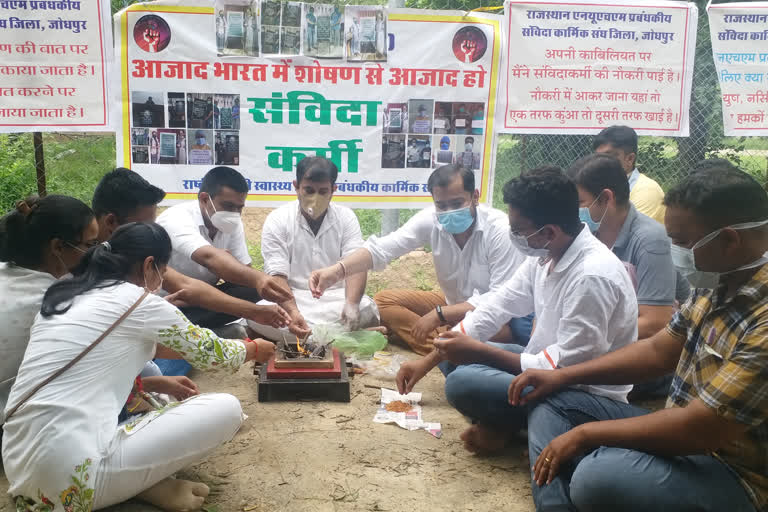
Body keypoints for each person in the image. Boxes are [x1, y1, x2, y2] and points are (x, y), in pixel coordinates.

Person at [508, 162, 768, 512]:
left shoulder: (762, 319)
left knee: (598, 477)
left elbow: (700, 428)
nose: (677, 254)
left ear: (728, 240)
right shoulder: (718, 283)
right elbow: (658, 352)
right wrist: (560, 376)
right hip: (683, 434)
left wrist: (586, 434)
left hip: (733, 471)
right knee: (553, 398)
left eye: (682, 243)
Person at [3, 222, 275, 512]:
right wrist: (255, 349)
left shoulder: (64, 296)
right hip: (70, 483)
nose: (161, 278)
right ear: (149, 265)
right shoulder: (141, 303)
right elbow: (215, 355)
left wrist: (149, 383)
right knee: (228, 408)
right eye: (163, 269)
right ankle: (134, 485)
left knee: (154, 395)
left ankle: (138, 483)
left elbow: (108, 359)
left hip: (20, 469)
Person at [393, 168, 638, 454]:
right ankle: (510, 424)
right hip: (541, 368)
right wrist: (428, 362)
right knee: (451, 358)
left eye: (519, 231)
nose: (514, 237)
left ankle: (510, 426)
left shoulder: (591, 277)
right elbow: (498, 305)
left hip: (578, 392)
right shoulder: (547, 255)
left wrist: (479, 352)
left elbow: (565, 368)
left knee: (462, 381)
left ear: (548, 232)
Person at [309, 164, 529, 355]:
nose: (449, 211)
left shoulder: (500, 231)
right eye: (442, 205)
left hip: (492, 316)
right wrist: (337, 271)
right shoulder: (431, 220)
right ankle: (448, 347)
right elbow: (382, 249)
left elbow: (501, 300)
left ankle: (449, 348)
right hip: (452, 303)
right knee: (384, 300)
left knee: (492, 329)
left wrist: (439, 315)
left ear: (475, 196)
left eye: (457, 203)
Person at [93, 169, 291, 336]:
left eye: (239, 208)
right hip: (159, 307)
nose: (151, 231)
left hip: (181, 302)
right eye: (145, 226)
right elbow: (206, 261)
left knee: (249, 288)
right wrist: (256, 311)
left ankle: (194, 332)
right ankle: (198, 335)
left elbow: (240, 273)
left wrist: (258, 291)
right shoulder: (174, 221)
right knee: (162, 324)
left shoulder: (132, 247)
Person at [156, 166, 296, 333]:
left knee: (252, 288)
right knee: (254, 284)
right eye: (228, 206)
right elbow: (209, 258)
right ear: (204, 199)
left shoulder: (231, 223)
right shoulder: (176, 218)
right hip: (169, 301)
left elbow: (245, 271)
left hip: (203, 299)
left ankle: (201, 330)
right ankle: (193, 332)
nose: (235, 213)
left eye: (240, 207)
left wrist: (291, 309)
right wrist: (257, 284)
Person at [0, 196, 98, 425]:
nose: (96, 252)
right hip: (13, 421)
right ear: (57, 247)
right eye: (90, 245)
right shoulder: (58, 302)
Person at [257, 157, 379, 339]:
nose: (315, 198)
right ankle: (341, 337)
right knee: (261, 311)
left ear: (333, 191)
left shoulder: (346, 217)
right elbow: (277, 276)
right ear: (296, 187)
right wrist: (293, 312)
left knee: (365, 307)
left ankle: (317, 337)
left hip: (336, 299)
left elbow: (356, 265)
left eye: (323, 191)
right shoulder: (278, 219)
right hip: (293, 298)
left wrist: (351, 304)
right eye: (309, 190)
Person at [565, 154, 678, 339]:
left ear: (607, 198)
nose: (572, 211)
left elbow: (654, 322)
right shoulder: (585, 232)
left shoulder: (649, 241)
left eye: (579, 203)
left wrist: (584, 335)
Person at [593, 125, 666, 224]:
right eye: (597, 157)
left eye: (607, 157)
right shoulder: (602, 187)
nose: (600, 163)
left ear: (630, 159)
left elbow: (625, 233)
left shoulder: (646, 190)